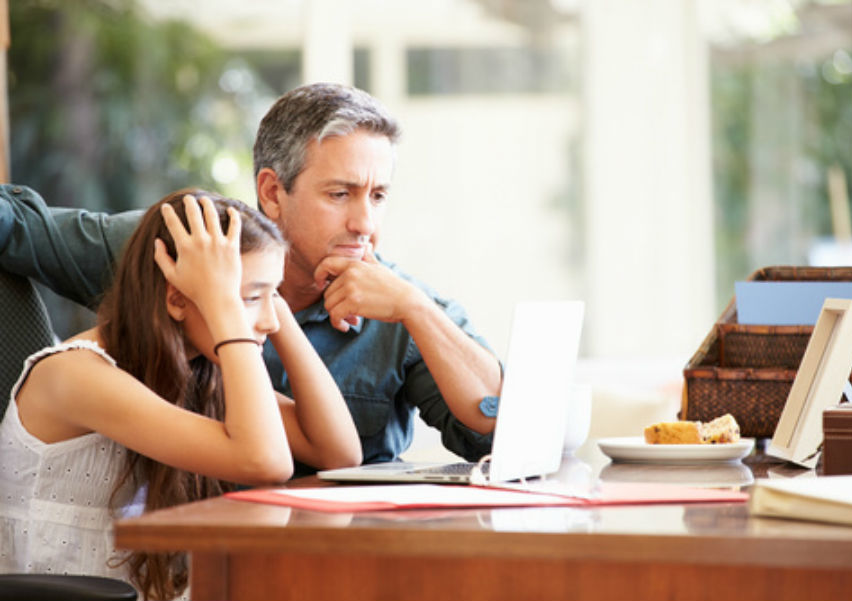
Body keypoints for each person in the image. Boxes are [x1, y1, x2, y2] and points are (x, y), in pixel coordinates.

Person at [0, 82, 502, 471]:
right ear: (271, 191)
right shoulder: (179, 247)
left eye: (378, 196)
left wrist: (415, 310)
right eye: (340, 194)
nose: (364, 224)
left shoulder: (400, 303)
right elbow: (16, 224)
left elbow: (496, 431)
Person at [0, 190, 361, 600]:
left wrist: (263, 296)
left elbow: (338, 453)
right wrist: (227, 309)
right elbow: (265, 462)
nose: (267, 321)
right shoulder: (76, 375)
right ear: (176, 298)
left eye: (272, 296)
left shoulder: (193, 372)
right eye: (251, 298)